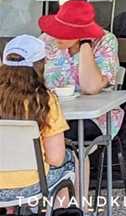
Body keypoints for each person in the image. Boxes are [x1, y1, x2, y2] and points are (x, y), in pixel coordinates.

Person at [0, 35, 77, 206]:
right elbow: (56, 158)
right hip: (32, 184)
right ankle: (64, 210)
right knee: (70, 159)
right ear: (40, 65)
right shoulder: (45, 101)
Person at [39, 0, 123, 140]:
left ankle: (72, 160)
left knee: (70, 132)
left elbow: (90, 87)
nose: (57, 35)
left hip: (92, 116)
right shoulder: (47, 40)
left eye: (66, 31)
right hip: (49, 112)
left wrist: (85, 43)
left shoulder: (105, 41)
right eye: (56, 29)